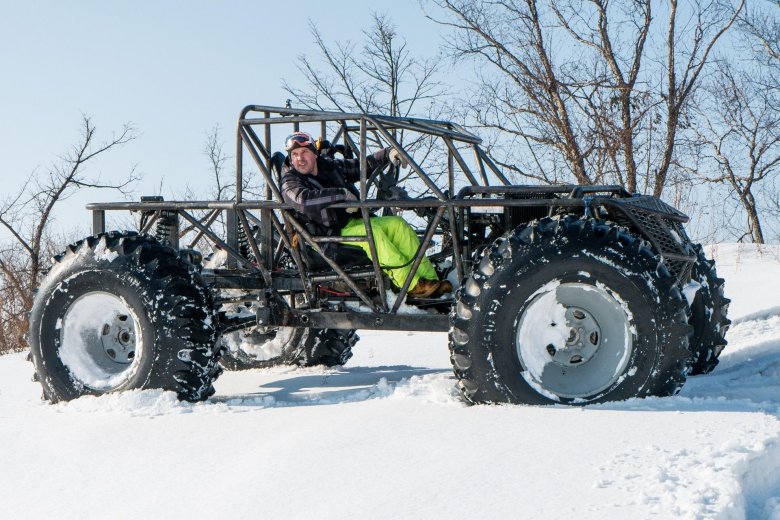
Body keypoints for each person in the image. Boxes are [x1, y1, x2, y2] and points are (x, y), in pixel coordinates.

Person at [280, 131, 452, 298]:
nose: (299, 158)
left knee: (398, 225)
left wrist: (387, 153)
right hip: (325, 235)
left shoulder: (329, 166)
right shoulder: (290, 180)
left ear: (314, 153)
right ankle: (412, 285)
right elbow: (303, 201)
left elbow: (360, 166)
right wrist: (341, 194)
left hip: (350, 223)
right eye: (294, 154)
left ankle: (431, 282)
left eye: (304, 152)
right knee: (373, 234)